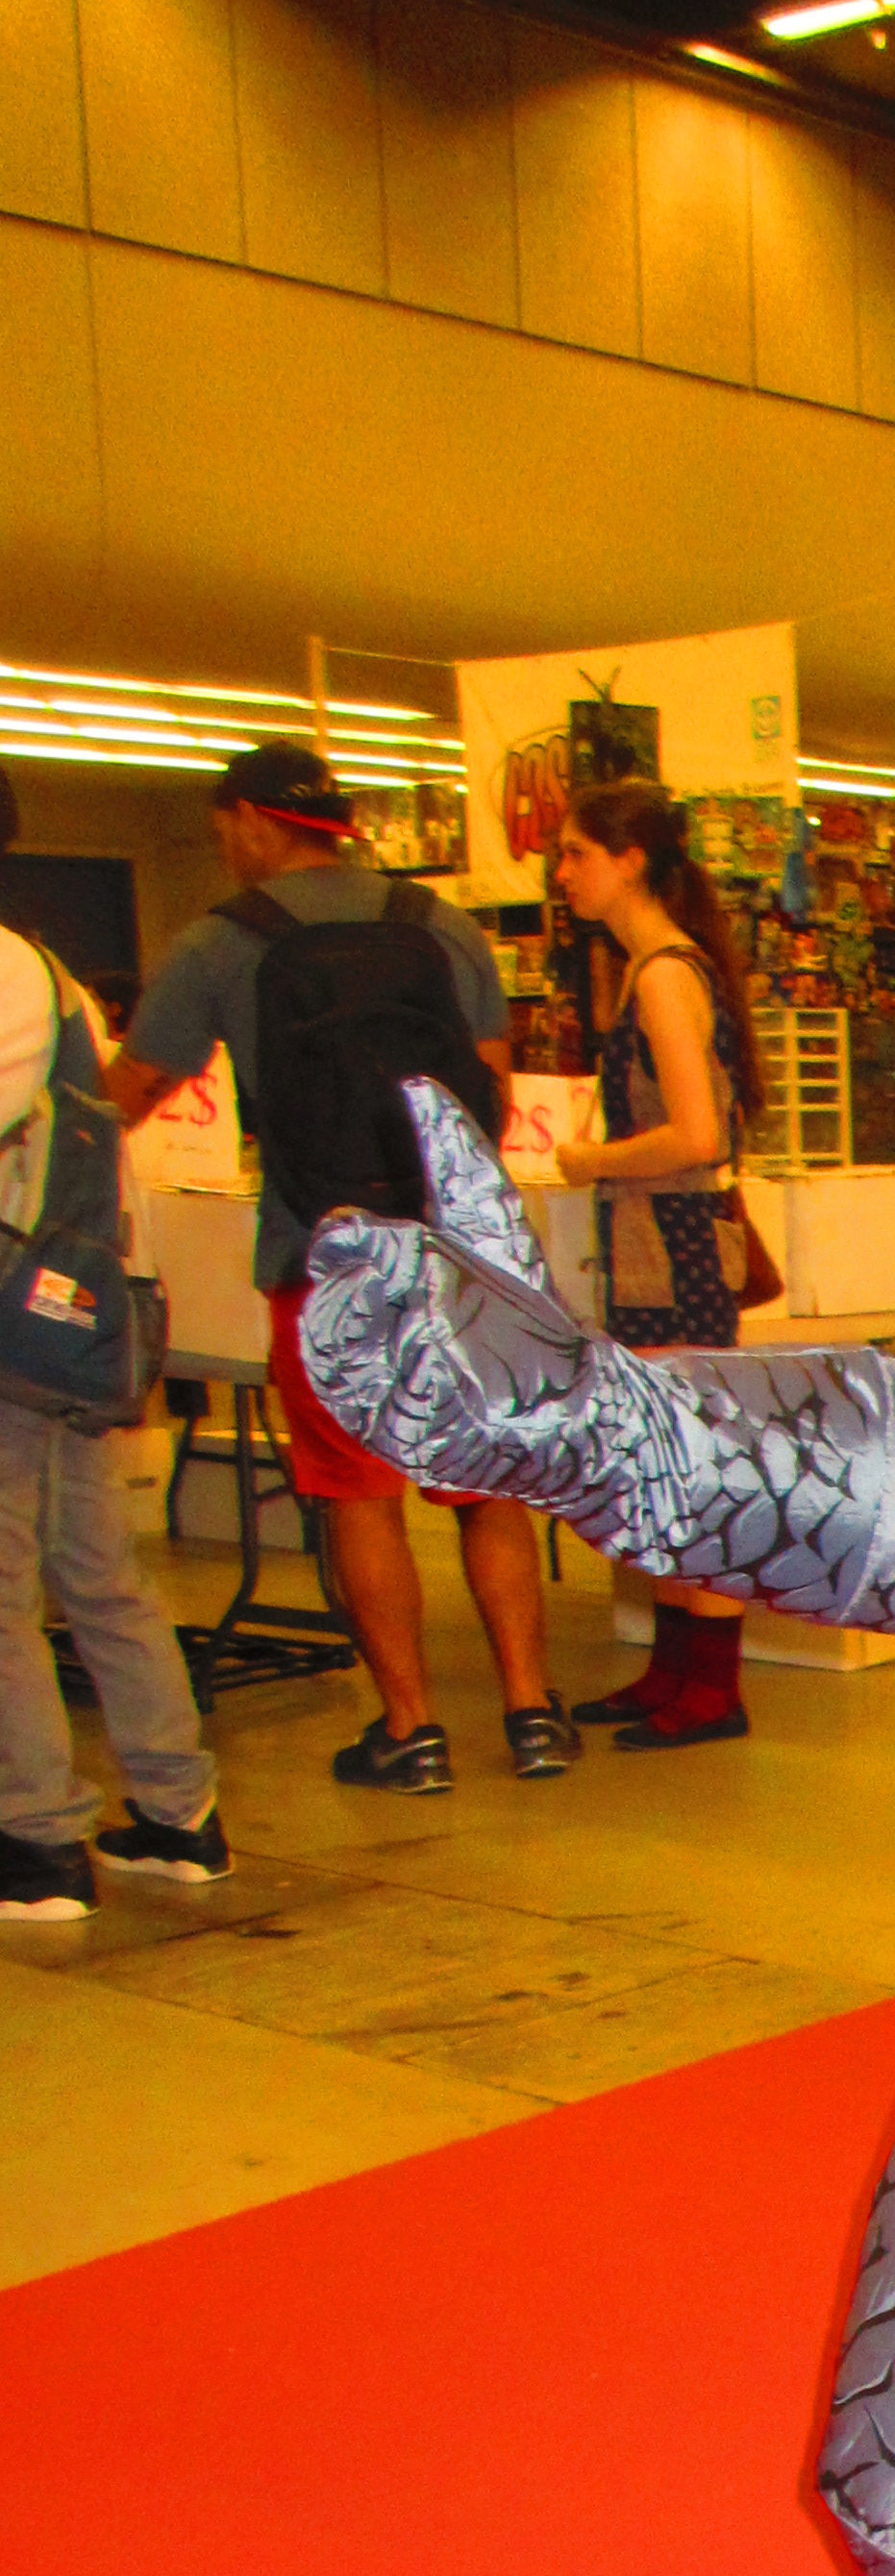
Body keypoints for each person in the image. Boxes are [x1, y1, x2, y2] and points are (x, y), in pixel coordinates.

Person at [108, 743, 573, 1793]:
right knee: (485, 1483)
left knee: (359, 1495)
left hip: (322, 1256)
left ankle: (413, 1731)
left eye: (223, 828)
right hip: (453, 1251)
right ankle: (532, 1713)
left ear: (250, 821)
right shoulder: (440, 925)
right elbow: (492, 1097)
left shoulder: (220, 941)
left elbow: (133, 1090)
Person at [0, 781, 230, 1919]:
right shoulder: (44, 973)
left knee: (7, 1582)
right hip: (68, 1320)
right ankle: (178, 1816)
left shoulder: (5, 972)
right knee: (95, 1567)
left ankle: (37, 1840)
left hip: (17, 1326)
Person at [549, 781, 770, 1750]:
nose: (562, 874)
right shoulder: (649, 967)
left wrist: (593, 1159)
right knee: (660, 1464)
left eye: (576, 854)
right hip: (657, 1247)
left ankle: (712, 1686)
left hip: (674, 1247)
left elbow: (695, 1132)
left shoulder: (663, 976)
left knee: (689, 1469)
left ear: (630, 860)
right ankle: (676, 1666)